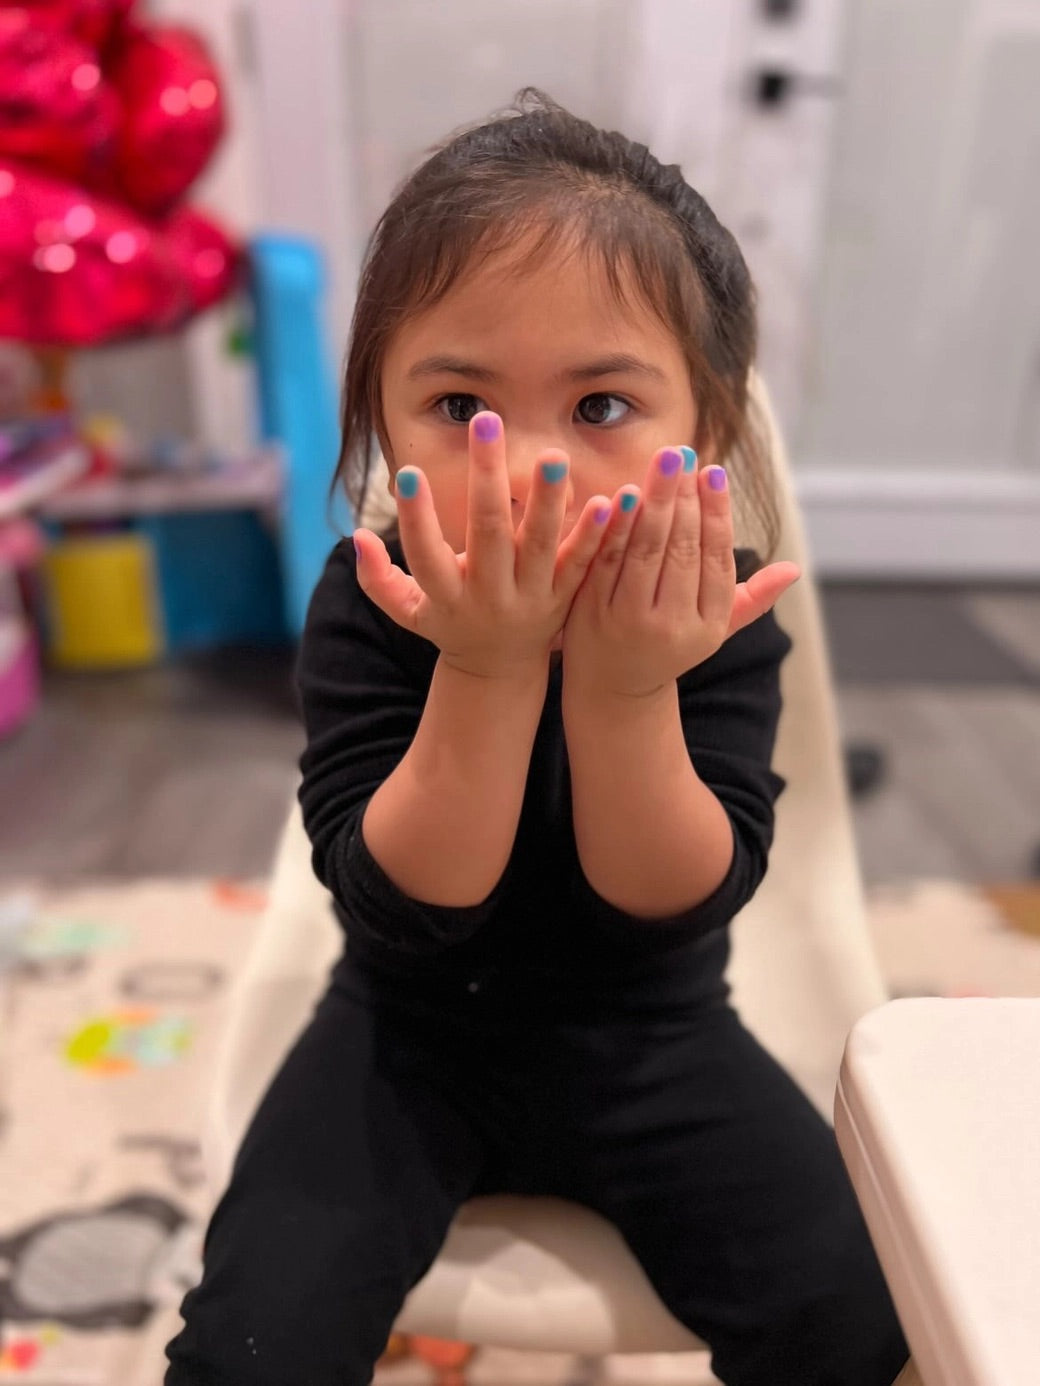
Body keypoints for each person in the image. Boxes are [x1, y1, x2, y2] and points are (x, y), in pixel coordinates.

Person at [165, 91, 909, 1386]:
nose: (527, 472)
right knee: (249, 1348)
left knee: (866, 1323)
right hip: (401, 1034)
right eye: (462, 406)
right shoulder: (376, 595)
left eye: (603, 406)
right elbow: (406, 902)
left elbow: (674, 903)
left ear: (708, 432)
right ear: (380, 424)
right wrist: (487, 665)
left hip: (656, 1036)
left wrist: (625, 691)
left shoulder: (715, 613)